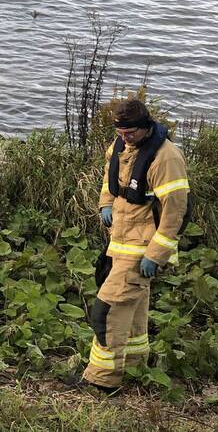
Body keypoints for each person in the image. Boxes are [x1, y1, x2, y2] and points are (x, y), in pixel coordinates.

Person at [79, 97, 190, 393]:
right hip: (120, 241)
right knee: (134, 308)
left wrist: (156, 255)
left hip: (142, 248)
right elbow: (110, 177)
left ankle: (102, 379)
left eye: (130, 133)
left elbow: (175, 213)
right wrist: (105, 203)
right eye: (120, 133)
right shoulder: (121, 145)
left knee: (108, 309)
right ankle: (135, 364)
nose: (125, 138)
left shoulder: (166, 159)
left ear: (146, 126)